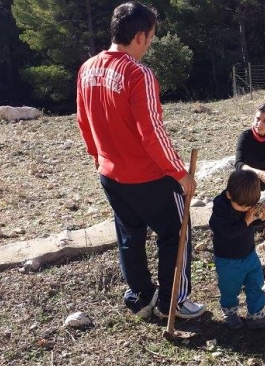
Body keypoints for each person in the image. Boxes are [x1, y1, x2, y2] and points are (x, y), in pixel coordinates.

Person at [76, 1, 205, 321]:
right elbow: (152, 132)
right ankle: (172, 301)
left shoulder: (87, 68)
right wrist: (179, 173)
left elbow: (83, 121)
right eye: (150, 37)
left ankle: (140, 296)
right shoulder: (138, 73)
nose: (149, 44)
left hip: (110, 174)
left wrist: (97, 158)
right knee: (175, 233)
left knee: (129, 236)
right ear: (139, 36)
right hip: (148, 176)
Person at [209, 171, 265, 329]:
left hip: (249, 254)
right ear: (229, 195)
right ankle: (230, 312)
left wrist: (260, 218)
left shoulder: (245, 201)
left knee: (256, 284)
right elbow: (227, 233)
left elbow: (251, 223)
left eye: (250, 206)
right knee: (229, 288)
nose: (246, 209)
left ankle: (256, 315)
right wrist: (246, 221)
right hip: (228, 260)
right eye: (243, 207)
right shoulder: (220, 211)